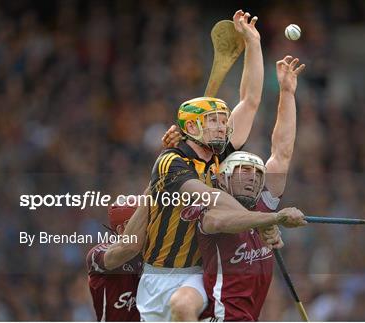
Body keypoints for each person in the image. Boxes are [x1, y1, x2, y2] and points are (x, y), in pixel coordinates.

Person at [108, 10, 267, 322]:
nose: (223, 127)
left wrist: (254, 43)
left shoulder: (221, 157)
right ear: (193, 127)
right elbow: (205, 197)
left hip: (196, 275)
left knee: (182, 307)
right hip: (154, 276)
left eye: (224, 121)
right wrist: (262, 220)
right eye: (214, 122)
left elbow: (249, 101)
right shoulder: (170, 161)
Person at [175, 55, 306, 321]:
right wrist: (274, 219)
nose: (250, 178)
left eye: (256, 173)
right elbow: (224, 221)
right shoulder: (211, 210)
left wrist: (287, 93)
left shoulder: (264, 202)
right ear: (222, 179)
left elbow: (282, 152)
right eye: (242, 171)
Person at [86, 200, 143, 321]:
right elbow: (129, 248)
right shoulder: (97, 254)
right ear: (122, 230)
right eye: (142, 223)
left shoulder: (151, 252)